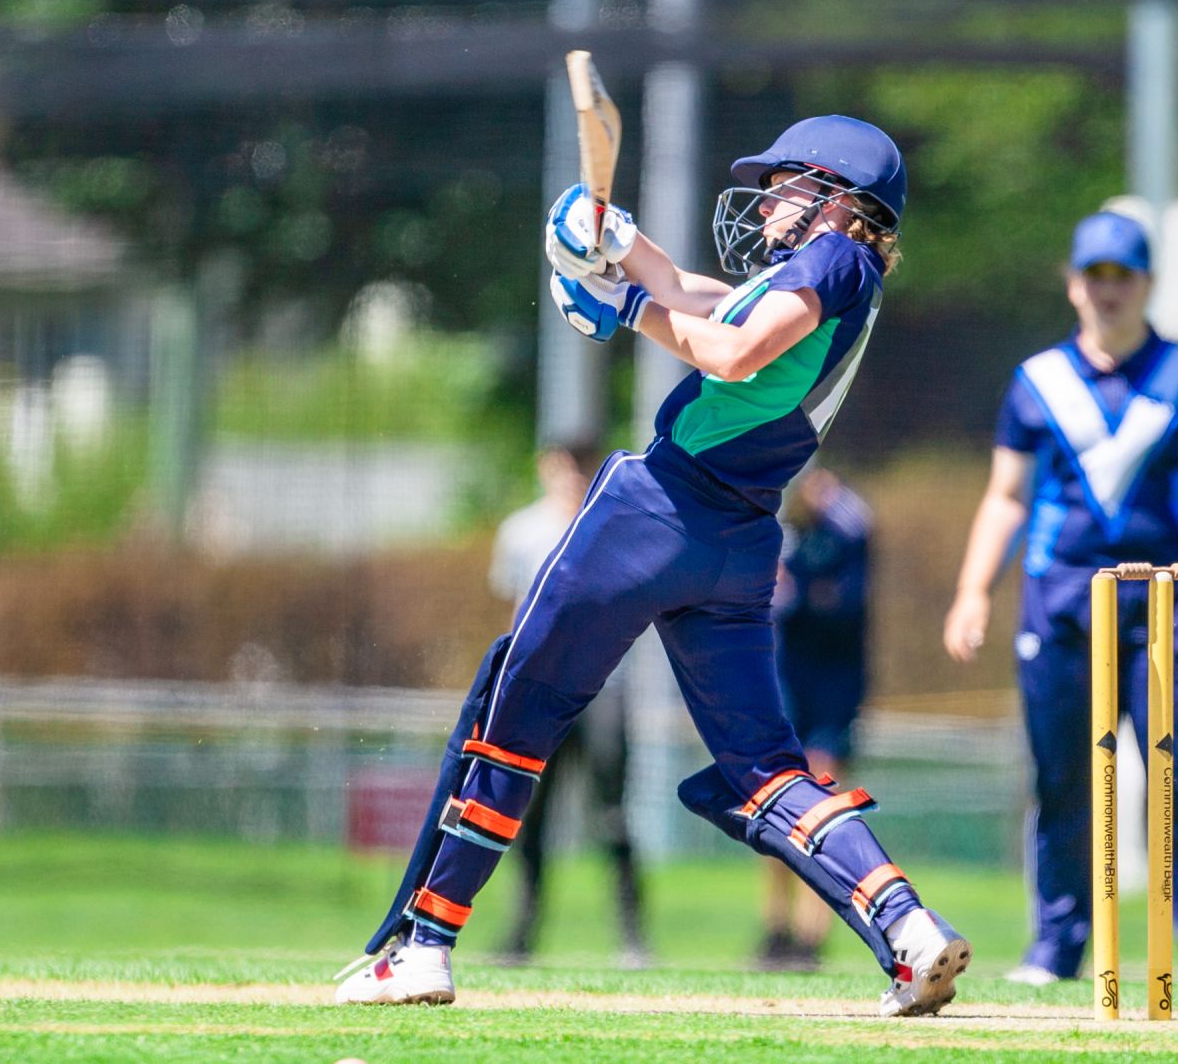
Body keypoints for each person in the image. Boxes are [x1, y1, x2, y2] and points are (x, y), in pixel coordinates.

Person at [337, 115, 974, 1016]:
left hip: (656, 511)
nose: (769, 199)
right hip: (742, 539)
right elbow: (708, 301)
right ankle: (908, 932)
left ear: (839, 196)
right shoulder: (840, 280)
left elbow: (727, 348)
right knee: (763, 766)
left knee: (514, 709)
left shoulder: (835, 260)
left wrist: (626, 308)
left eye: (788, 182)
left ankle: (426, 943)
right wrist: (626, 251)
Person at [942, 209, 1178, 987]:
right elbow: (1005, 496)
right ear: (1072, 284)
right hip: (1061, 596)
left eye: (1121, 276)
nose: (1107, 292)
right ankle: (1056, 948)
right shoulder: (1037, 381)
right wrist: (972, 590)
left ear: (1147, 284)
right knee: (1061, 774)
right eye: (1093, 276)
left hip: (1175, 599)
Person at [486, 442, 648, 967]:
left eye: (583, 465)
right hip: (539, 688)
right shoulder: (521, 530)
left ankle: (632, 936)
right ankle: (522, 932)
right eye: (566, 465)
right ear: (547, 466)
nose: (573, 477)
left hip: (600, 688)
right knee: (530, 815)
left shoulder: (612, 525)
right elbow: (512, 609)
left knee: (612, 815)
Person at [758, 466, 874, 970]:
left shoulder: (850, 526)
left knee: (823, 799)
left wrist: (806, 596)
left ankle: (813, 933)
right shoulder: (779, 529)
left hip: (834, 687)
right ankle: (776, 927)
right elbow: (775, 599)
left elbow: (845, 603)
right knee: (777, 802)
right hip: (788, 684)